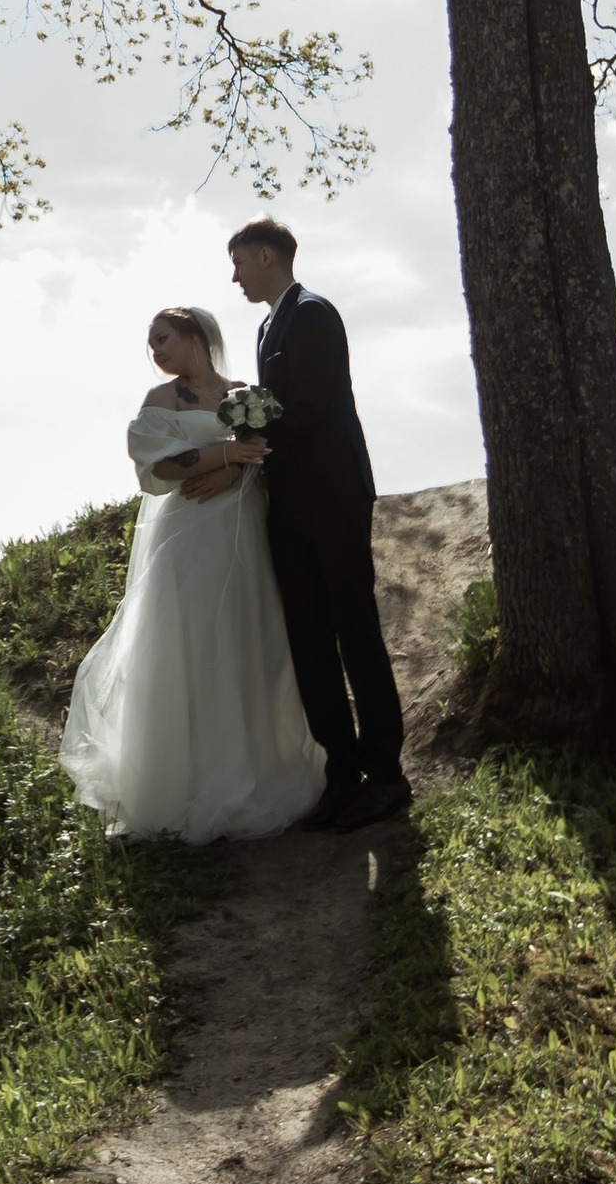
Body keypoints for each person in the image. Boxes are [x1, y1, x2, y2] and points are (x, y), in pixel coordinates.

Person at [57, 304, 327, 842]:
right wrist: (228, 454)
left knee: (246, 637)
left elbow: (267, 454)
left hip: (245, 525)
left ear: (196, 335)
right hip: (190, 530)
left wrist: (231, 470)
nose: (156, 352)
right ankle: (185, 782)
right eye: (151, 345)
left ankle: (253, 770)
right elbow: (158, 468)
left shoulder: (243, 393)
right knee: (191, 641)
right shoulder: (158, 403)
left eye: (163, 339)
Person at [227, 217, 412, 832]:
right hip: (289, 503)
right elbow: (279, 405)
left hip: (333, 495)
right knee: (307, 638)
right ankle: (341, 773)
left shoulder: (313, 313)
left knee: (354, 629)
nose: (235, 277)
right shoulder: (265, 326)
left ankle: (385, 773)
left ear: (265, 255)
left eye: (239, 264)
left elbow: (306, 406)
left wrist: (245, 425)